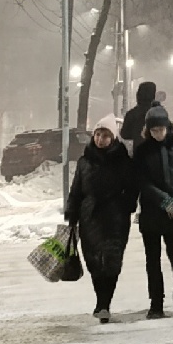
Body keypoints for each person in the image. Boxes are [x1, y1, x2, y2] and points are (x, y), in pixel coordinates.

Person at [64, 120, 138, 321]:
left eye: (105, 135)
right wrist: (71, 213)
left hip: (116, 218)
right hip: (90, 217)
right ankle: (100, 300)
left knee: (112, 261)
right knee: (94, 262)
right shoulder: (84, 161)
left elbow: (132, 188)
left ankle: (104, 303)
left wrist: (125, 205)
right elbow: (76, 190)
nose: (100, 139)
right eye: (97, 134)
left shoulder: (123, 161)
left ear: (113, 138)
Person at [129, 105, 173, 318]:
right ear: (148, 130)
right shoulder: (142, 150)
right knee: (152, 259)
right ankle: (156, 303)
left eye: (161, 129)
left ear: (168, 126)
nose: (158, 133)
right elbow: (140, 181)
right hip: (151, 210)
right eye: (154, 130)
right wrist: (163, 200)